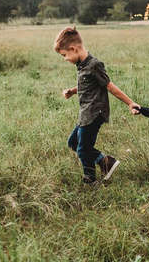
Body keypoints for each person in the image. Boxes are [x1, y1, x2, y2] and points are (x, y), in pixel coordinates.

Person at [54, 27, 140, 184]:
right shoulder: (81, 65)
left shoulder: (94, 64)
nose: (65, 59)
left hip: (94, 113)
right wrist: (73, 91)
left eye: (64, 55)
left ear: (74, 49)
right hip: (85, 113)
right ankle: (105, 162)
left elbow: (109, 86)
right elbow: (88, 84)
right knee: (73, 142)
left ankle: (90, 179)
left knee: (83, 148)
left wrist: (130, 103)